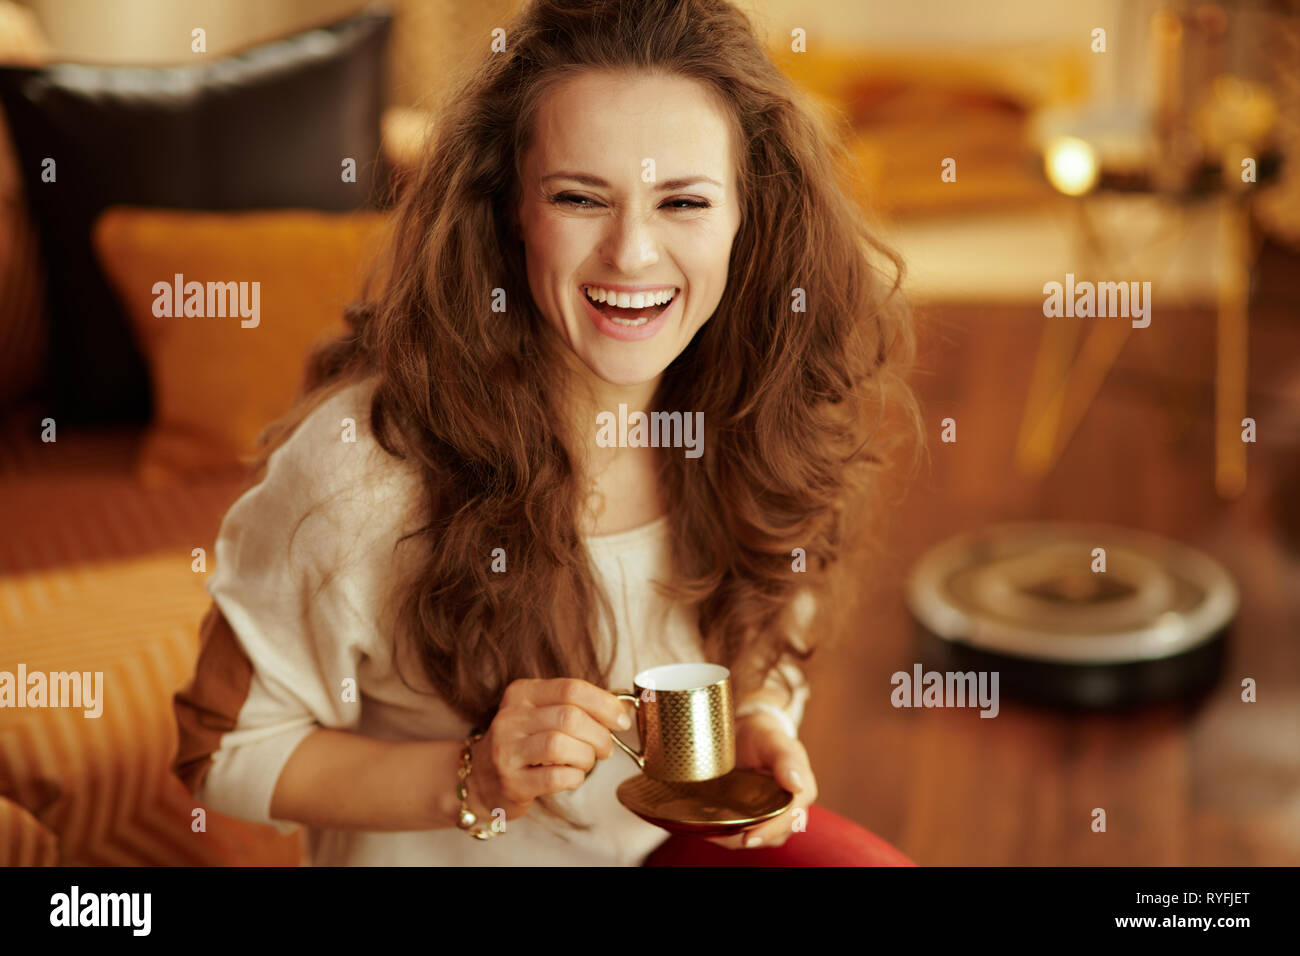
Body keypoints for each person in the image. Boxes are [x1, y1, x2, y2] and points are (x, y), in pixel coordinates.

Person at [172, 0, 923, 866]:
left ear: (751, 217)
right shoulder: (365, 474)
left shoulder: (765, 416)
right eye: (578, 197)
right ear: (507, 211)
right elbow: (218, 750)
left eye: (682, 201)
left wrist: (756, 718)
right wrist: (473, 777)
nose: (631, 254)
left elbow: (770, 630)